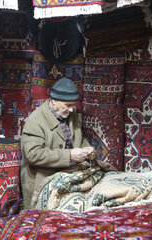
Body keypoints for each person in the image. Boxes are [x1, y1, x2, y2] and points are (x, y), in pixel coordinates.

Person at [20, 77, 95, 209]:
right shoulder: (35, 120)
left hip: (66, 177)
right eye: (68, 105)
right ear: (54, 101)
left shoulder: (70, 115)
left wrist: (87, 148)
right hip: (41, 181)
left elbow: (78, 139)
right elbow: (33, 155)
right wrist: (69, 156)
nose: (72, 109)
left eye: (73, 105)